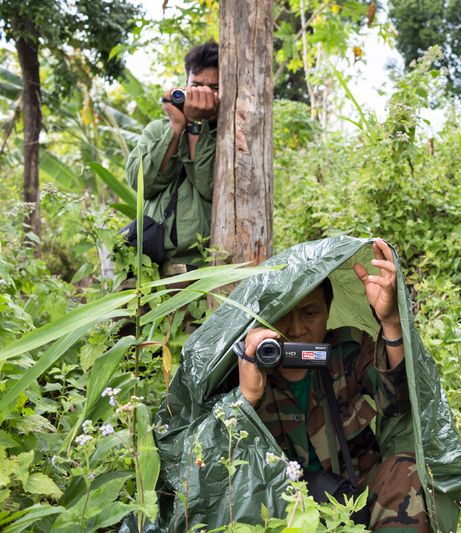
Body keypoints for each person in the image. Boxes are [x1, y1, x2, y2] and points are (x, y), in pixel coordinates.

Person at [237, 238, 429, 531]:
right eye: (284, 315)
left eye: (310, 314)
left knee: (405, 469)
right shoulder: (248, 365)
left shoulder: (347, 350)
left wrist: (390, 322)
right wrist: (247, 396)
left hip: (355, 496)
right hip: (279, 508)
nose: (296, 329)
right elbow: (220, 460)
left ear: (328, 313)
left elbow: (400, 400)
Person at [125, 39, 219, 272]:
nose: (202, 95)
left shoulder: (230, 137)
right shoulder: (158, 130)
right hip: (151, 266)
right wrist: (177, 126)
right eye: (196, 86)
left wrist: (196, 124)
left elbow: (209, 186)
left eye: (213, 88)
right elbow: (142, 183)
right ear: (185, 85)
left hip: (204, 267)